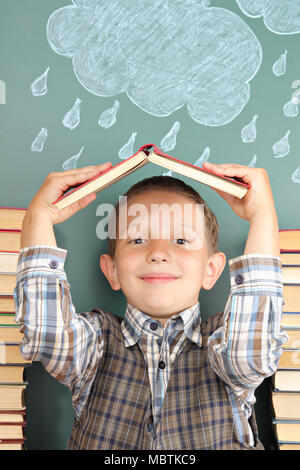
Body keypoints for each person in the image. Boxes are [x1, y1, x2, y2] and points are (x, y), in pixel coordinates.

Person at [14, 160, 287, 450]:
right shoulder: (95, 344)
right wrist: (39, 217)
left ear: (211, 269)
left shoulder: (225, 342)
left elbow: (252, 355)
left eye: (181, 240)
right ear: (113, 271)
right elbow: (48, 335)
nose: (158, 253)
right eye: (138, 239)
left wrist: (262, 216)